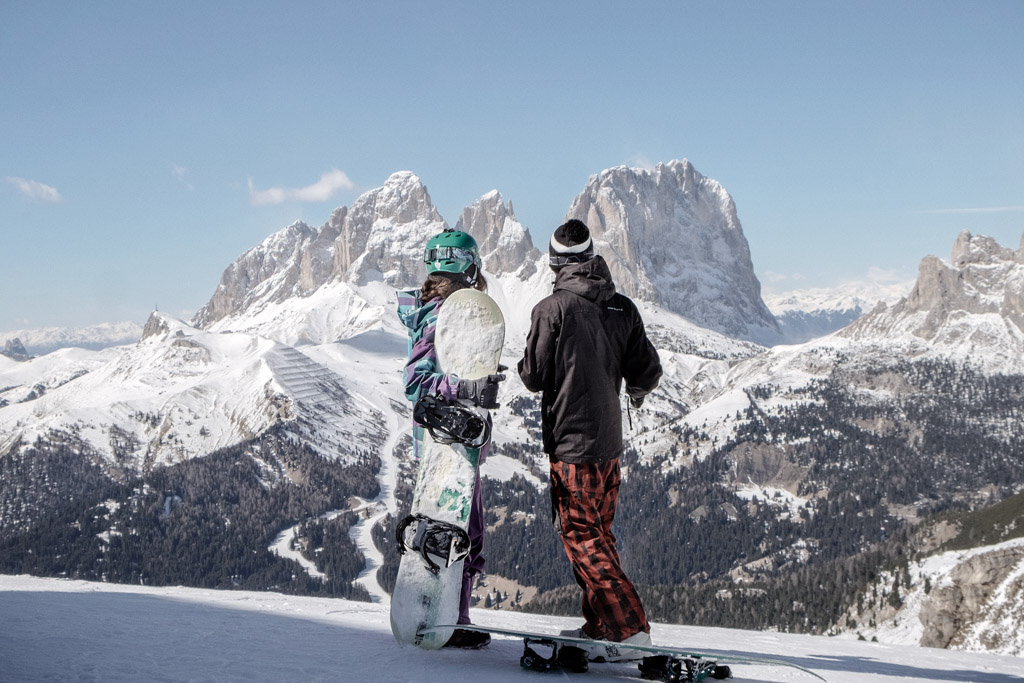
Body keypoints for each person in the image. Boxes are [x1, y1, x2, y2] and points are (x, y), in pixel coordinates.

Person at [517, 219, 663, 660]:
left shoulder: (552, 309)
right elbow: (647, 371)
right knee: (599, 533)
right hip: (609, 446)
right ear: (591, 255)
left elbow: (533, 376)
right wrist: (628, 389)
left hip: (572, 445)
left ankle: (629, 629)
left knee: (582, 538)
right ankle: (600, 624)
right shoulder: (622, 308)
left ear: (555, 260)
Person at [396, 228, 505, 649]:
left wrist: (477, 385)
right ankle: (448, 616)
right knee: (463, 529)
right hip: (445, 445)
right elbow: (417, 382)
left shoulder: (443, 311)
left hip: (452, 440)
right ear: (469, 267)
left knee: (458, 526)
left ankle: (446, 613)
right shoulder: (440, 314)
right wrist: (467, 388)